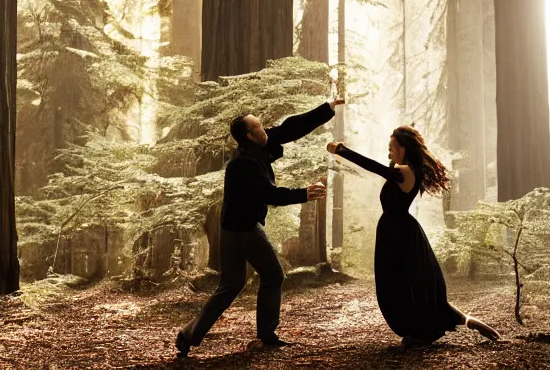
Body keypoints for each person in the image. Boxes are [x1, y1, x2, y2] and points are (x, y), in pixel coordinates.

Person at [175, 98, 344, 357]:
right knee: (273, 275)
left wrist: (327, 108)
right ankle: (266, 334)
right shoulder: (244, 164)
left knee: (230, 285)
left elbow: (290, 128)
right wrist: (305, 194)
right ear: (250, 136)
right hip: (243, 231)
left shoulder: (255, 148)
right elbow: (270, 194)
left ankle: (189, 335)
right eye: (261, 128)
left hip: (233, 231)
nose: (267, 130)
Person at [326, 126, 500, 346]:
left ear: (402, 147)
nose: (389, 153)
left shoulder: (406, 171)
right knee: (398, 284)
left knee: (404, 284)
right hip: (394, 232)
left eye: (392, 148)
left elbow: (374, 167)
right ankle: (446, 326)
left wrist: (341, 150)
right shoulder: (403, 170)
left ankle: (423, 332)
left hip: (400, 235)